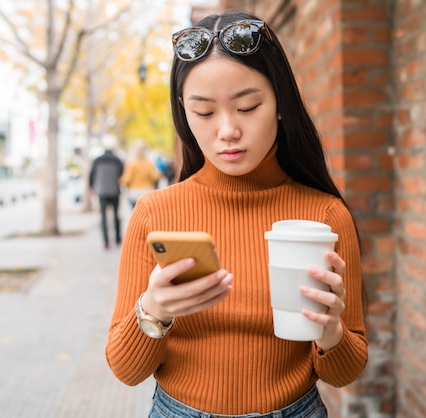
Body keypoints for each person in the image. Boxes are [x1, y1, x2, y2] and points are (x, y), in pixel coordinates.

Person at [105, 11, 368, 417]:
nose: (227, 130)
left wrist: (332, 334)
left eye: (247, 107)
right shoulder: (154, 212)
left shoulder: (325, 215)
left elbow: (344, 373)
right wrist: (153, 310)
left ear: (280, 103)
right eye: (205, 113)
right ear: (184, 113)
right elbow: (126, 370)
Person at [89, 137, 124, 249]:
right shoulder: (117, 159)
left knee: (103, 217)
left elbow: (91, 175)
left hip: (102, 191)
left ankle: (106, 242)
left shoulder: (97, 160)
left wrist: (91, 187)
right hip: (114, 190)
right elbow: (121, 174)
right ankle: (118, 238)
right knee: (116, 215)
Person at [120, 140, 161, 208]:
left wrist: (120, 180)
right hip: (148, 192)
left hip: (134, 192)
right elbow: (155, 177)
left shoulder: (131, 164)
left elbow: (127, 179)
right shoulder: (149, 164)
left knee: (135, 214)